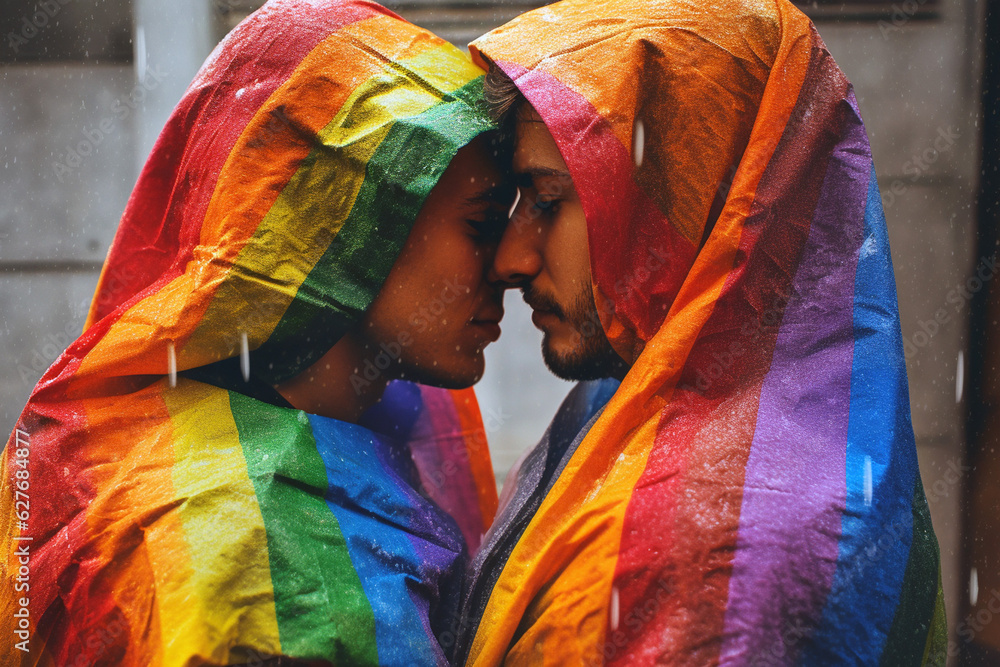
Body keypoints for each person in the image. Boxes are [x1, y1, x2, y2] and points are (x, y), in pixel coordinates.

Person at [0, 1, 511, 664]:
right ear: (344, 223)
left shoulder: (200, 437)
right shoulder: (258, 558)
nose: (513, 261)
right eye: (482, 225)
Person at [451, 0, 948, 664]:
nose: (510, 259)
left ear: (683, 202)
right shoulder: (676, 403)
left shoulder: (709, 551)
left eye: (548, 199)